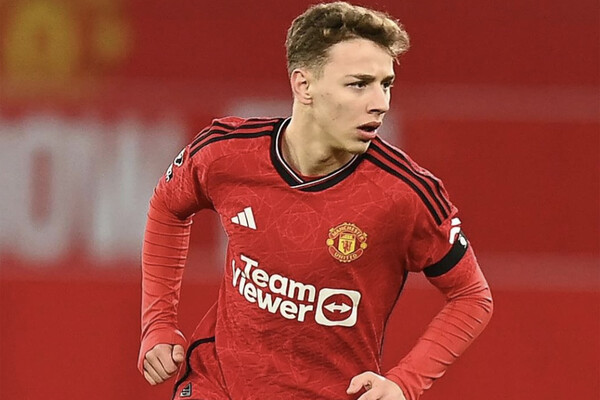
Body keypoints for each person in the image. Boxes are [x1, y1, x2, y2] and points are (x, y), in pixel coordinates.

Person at [138, 2, 493, 399]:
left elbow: (471, 296)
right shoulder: (227, 154)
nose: (381, 103)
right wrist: (158, 322)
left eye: (386, 84)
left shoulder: (406, 193)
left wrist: (404, 384)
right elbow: (167, 206)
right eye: (359, 84)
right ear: (303, 85)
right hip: (216, 384)